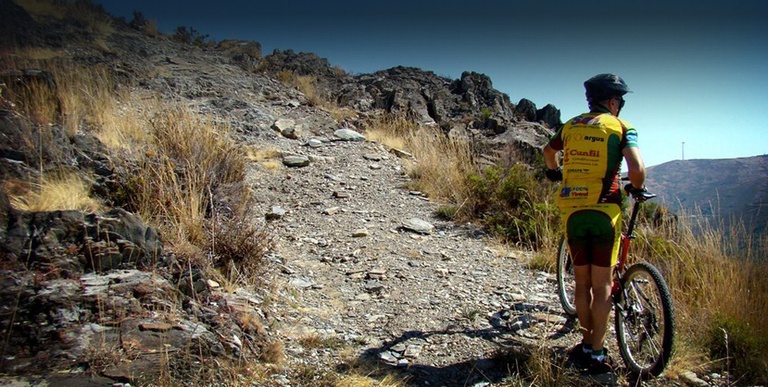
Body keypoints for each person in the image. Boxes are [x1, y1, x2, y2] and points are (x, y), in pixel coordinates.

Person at [542, 73, 647, 374]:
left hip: (572, 210)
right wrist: (635, 189)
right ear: (612, 101)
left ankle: (585, 346)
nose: (621, 106)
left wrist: (554, 173)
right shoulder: (622, 127)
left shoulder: (571, 125)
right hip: (604, 210)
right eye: (621, 101)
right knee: (602, 286)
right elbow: (636, 169)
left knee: (582, 282)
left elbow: (549, 152)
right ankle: (597, 355)